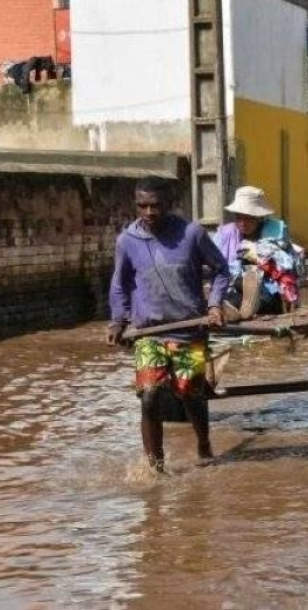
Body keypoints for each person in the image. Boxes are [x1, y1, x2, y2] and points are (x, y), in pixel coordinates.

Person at [107, 176, 230, 469]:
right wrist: (117, 321)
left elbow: (221, 270)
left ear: (169, 204)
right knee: (149, 396)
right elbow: (119, 285)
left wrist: (214, 305)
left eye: (156, 206)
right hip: (149, 333)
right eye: (143, 206)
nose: (149, 212)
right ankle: (155, 467)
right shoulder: (127, 241)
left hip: (189, 329)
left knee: (190, 393)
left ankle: (203, 442)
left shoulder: (192, 234)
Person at [213, 186, 300, 320]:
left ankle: (250, 304)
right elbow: (213, 263)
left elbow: (288, 266)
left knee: (264, 297)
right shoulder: (225, 234)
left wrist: (258, 256)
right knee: (233, 295)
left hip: (268, 290)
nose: (242, 223)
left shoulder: (276, 233)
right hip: (235, 286)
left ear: (259, 217)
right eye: (238, 218)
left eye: (248, 218)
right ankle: (235, 309)